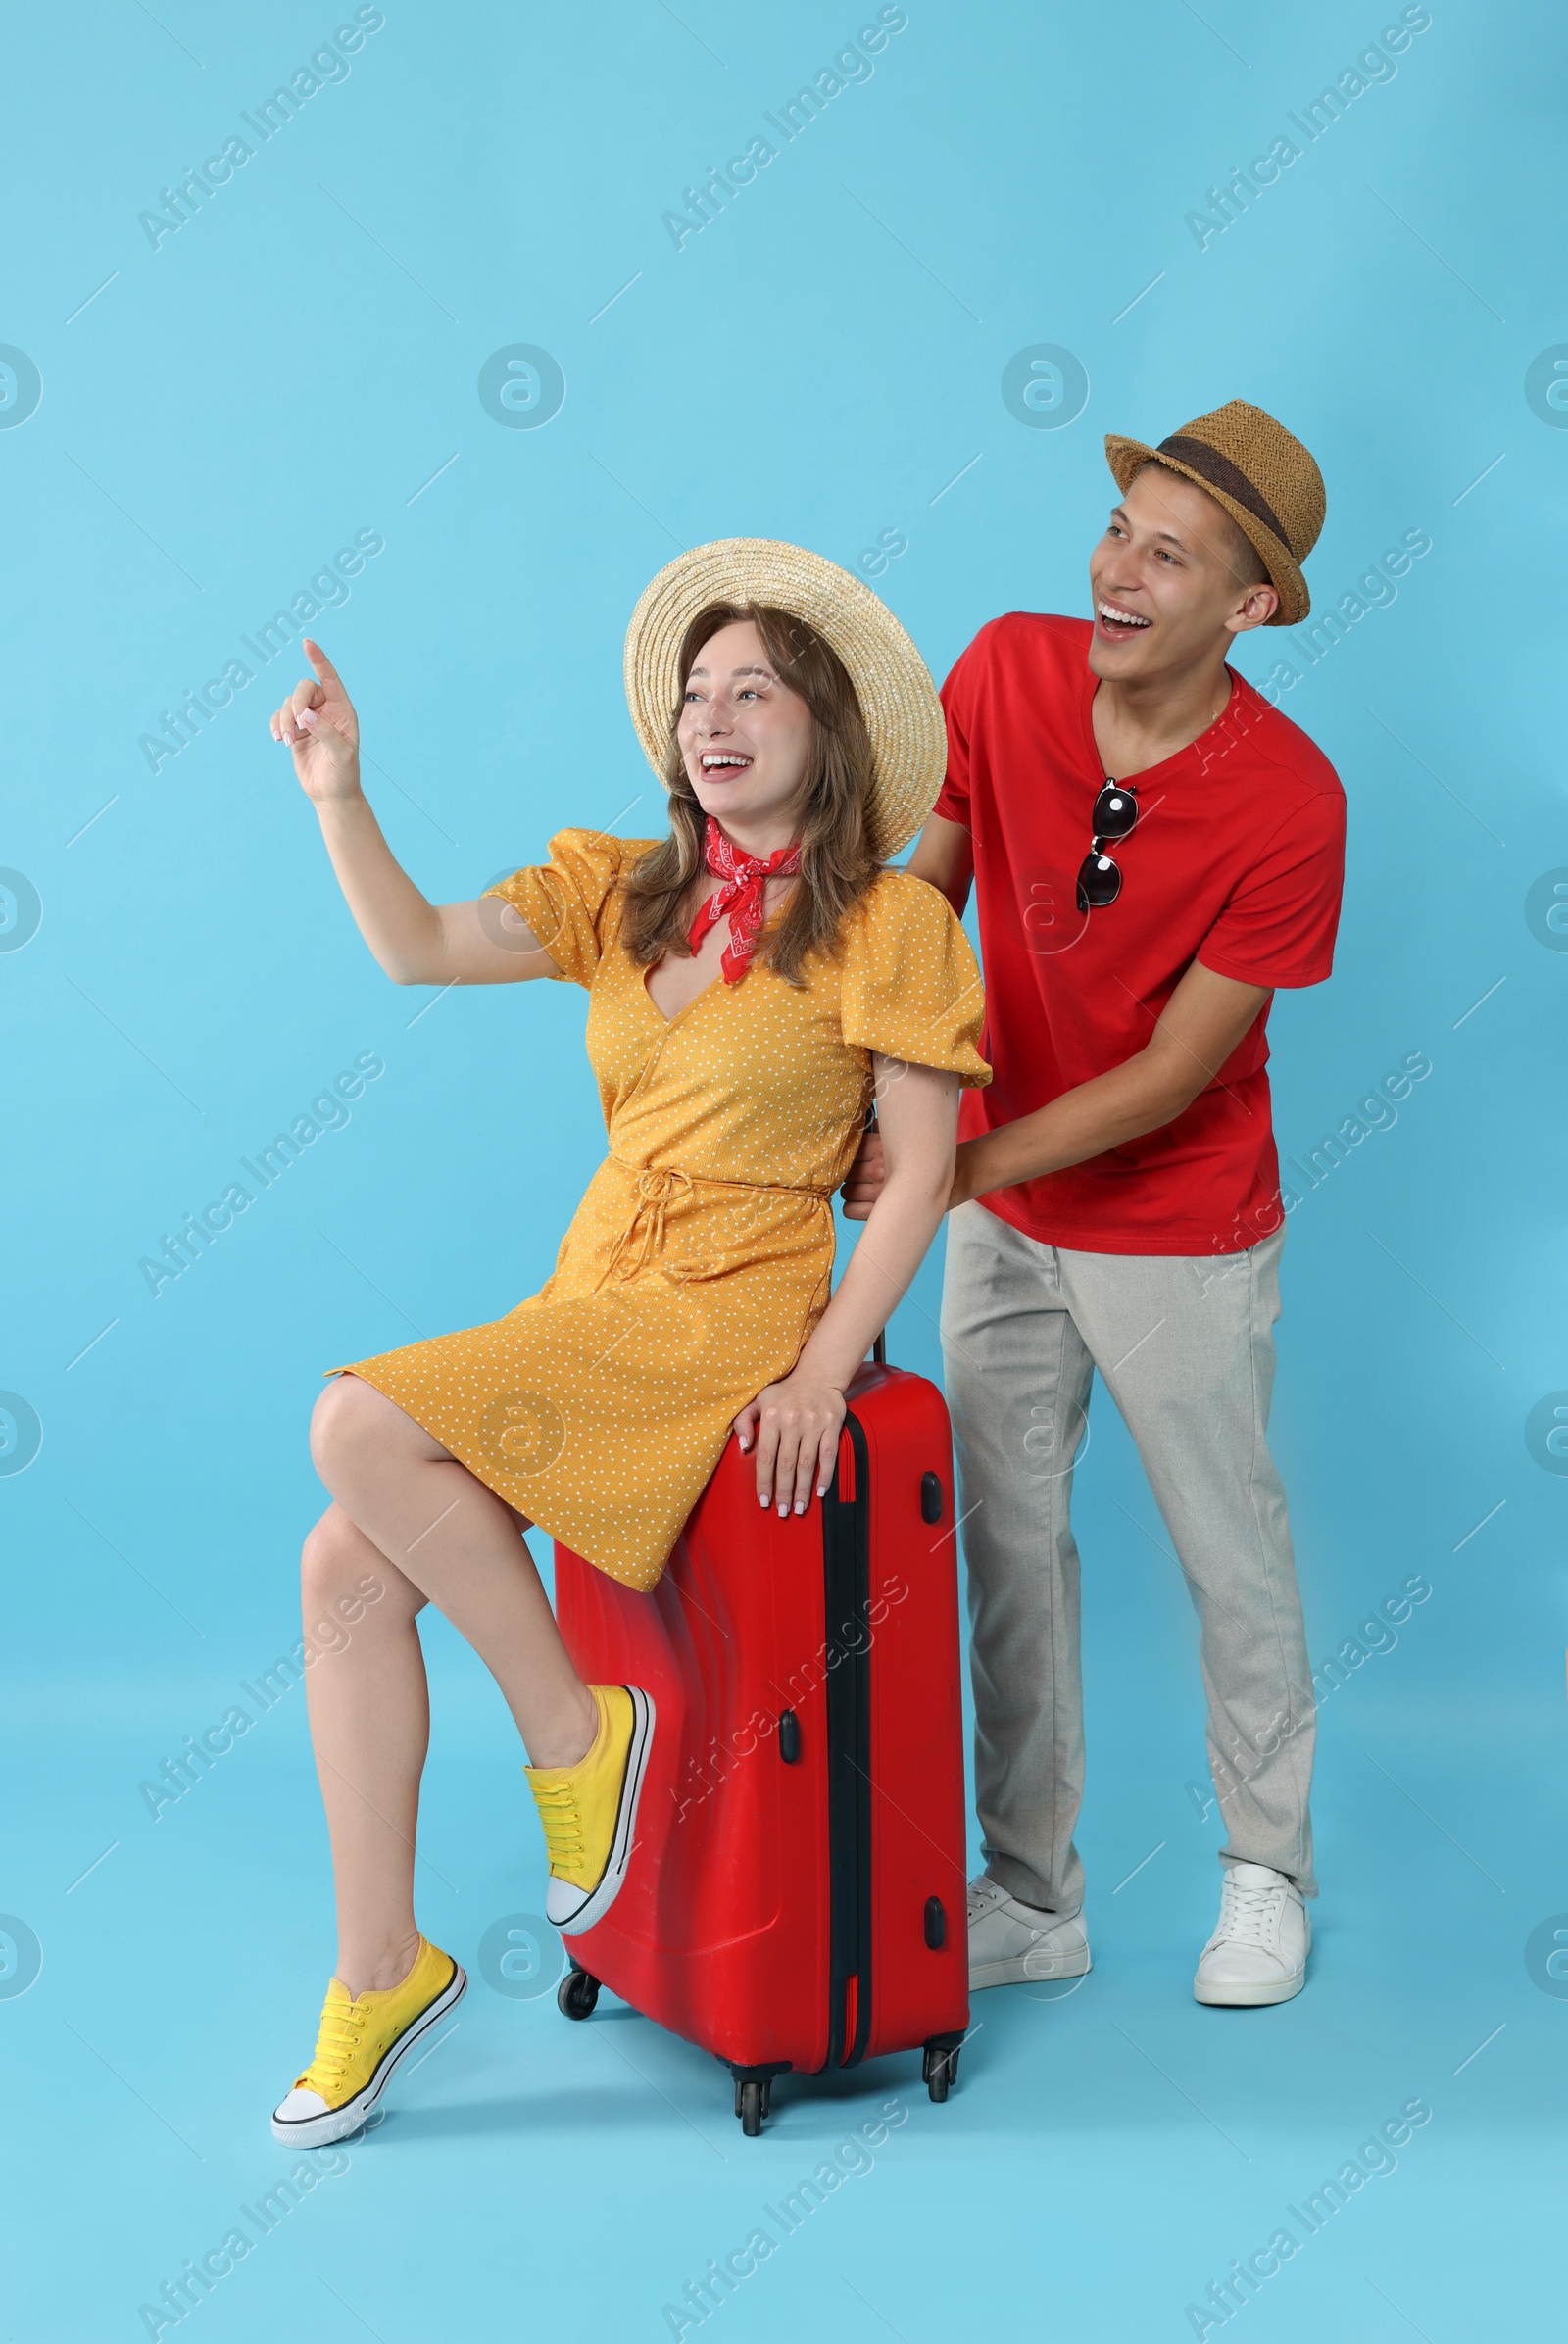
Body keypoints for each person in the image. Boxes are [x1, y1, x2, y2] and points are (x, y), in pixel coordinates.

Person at [264, 538, 989, 2144]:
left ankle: (577, 1744)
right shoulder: (620, 885)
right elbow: (417, 947)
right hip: (601, 1290)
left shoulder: (893, 929)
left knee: (355, 1427)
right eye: (693, 693)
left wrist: (825, 1364)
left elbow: (922, 1168)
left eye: (755, 692)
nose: (713, 718)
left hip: (736, 1309)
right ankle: (379, 1966)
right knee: (342, 1568)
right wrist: (337, 788)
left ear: (828, 729)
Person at [844, 401, 1345, 2006]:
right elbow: (928, 883)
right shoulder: (1000, 668)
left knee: (1229, 1557)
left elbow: (1178, 1074)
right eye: (1119, 530)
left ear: (1246, 606)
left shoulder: (1292, 801)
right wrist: (859, 1071)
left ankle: (1267, 1869)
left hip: (1181, 1229)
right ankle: (1033, 1895)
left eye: (1166, 553)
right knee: (1003, 1546)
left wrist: (953, 1169)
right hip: (1001, 1216)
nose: (1115, 571)